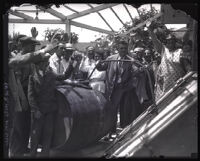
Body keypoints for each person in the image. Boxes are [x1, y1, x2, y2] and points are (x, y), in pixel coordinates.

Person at [8, 36, 56, 158]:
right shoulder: (17, 58)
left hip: (28, 95)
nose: (33, 48)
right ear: (25, 46)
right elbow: (24, 63)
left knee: (26, 124)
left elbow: (37, 65)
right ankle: (15, 152)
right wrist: (44, 50)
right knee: (18, 125)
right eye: (32, 46)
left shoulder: (30, 59)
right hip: (19, 95)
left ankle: (23, 148)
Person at [96, 40, 142, 140]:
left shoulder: (130, 60)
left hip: (124, 89)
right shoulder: (111, 58)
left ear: (127, 49)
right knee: (112, 110)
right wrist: (98, 64)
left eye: (125, 48)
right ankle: (111, 131)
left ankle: (123, 131)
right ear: (118, 49)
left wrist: (139, 70)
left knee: (124, 110)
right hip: (112, 88)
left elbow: (135, 71)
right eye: (121, 48)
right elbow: (101, 68)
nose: (123, 50)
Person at [146, 21, 192, 101]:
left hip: (178, 87)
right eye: (167, 42)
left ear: (175, 42)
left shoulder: (180, 52)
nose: (169, 43)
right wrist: (150, 29)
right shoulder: (164, 50)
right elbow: (155, 41)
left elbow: (189, 69)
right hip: (164, 89)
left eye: (172, 41)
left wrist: (185, 79)